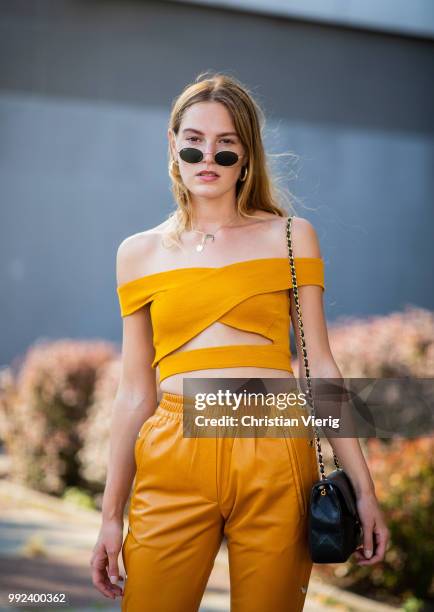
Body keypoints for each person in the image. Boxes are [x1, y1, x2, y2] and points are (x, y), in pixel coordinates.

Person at [90, 71, 389, 611]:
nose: (209, 160)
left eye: (226, 147)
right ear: (173, 145)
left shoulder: (291, 237)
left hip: (275, 448)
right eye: (195, 143)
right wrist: (111, 517)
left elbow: (319, 367)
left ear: (248, 155)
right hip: (172, 450)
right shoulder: (136, 252)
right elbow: (135, 391)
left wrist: (364, 490)